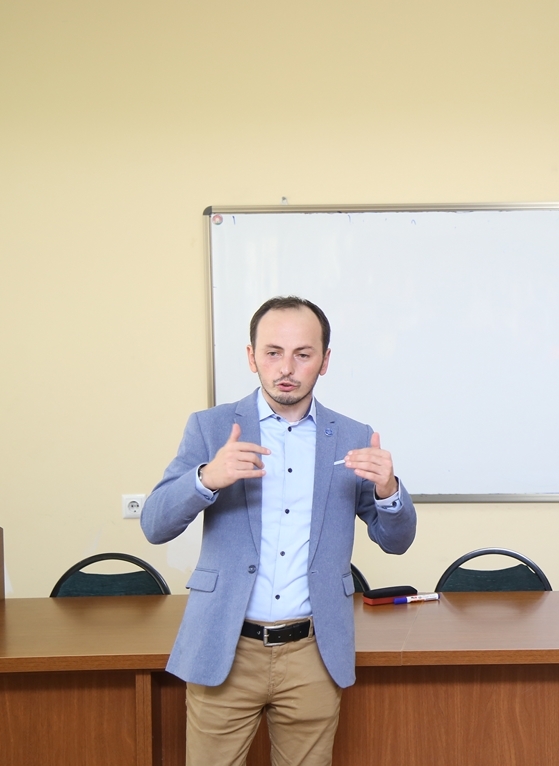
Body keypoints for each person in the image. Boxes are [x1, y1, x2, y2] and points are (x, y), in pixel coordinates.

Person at [142, 296, 417, 766]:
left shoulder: (353, 436)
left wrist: (389, 489)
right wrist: (207, 478)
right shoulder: (210, 428)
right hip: (225, 645)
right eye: (273, 352)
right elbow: (155, 525)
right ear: (252, 357)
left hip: (313, 652)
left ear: (324, 361)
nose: (286, 368)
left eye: (303, 354)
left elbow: (397, 541)